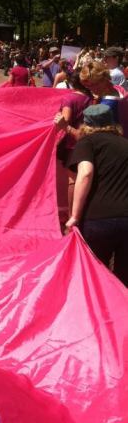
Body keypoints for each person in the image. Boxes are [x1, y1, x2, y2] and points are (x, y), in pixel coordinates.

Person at [66, 104, 128, 286]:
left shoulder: (88, 143)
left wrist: (74, 216)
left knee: (94, 276)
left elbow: (85, 173)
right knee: (124, 278)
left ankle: (100, 313)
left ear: (86, 124)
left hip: (98, 219)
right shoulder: (126, 144)